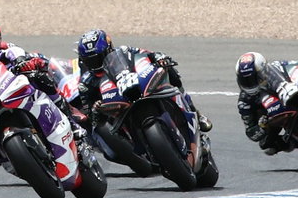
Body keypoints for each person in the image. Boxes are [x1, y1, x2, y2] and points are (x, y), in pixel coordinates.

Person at [71, 29, 210, 131]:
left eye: (98, 58)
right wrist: (95, 109)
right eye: (91, 61)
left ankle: (195, 111)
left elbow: (148, 54)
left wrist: (159, 58)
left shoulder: (124, 51)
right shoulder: (86, 82)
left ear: (109, 50)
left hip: (137, 87)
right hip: (117, 110)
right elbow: (88, 113)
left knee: (168, 69)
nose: (96, 63)